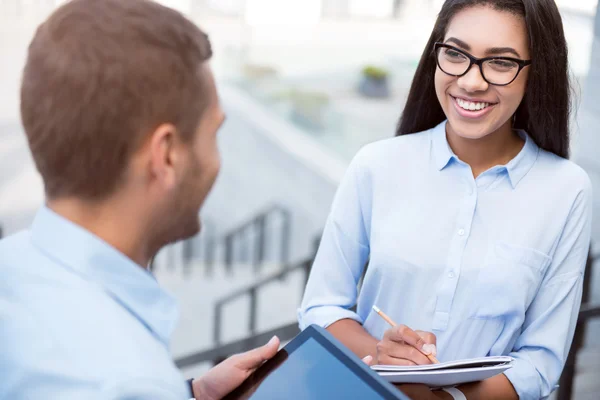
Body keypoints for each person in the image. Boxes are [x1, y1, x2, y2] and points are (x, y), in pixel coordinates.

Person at [298, 0, 592, 399]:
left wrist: (442, 398)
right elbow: (321, 308)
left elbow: (540, 361)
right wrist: (384, 359)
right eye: (455, 54)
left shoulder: (566, 190)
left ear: (537, 72)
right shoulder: (377, 164)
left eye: (501, 62)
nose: (471, 82)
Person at [0, 0, 281, 399]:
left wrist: (194, 393)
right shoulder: (129, 381)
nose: (217, 160)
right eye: (213, 132)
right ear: (165, 155)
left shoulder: (10, 264)